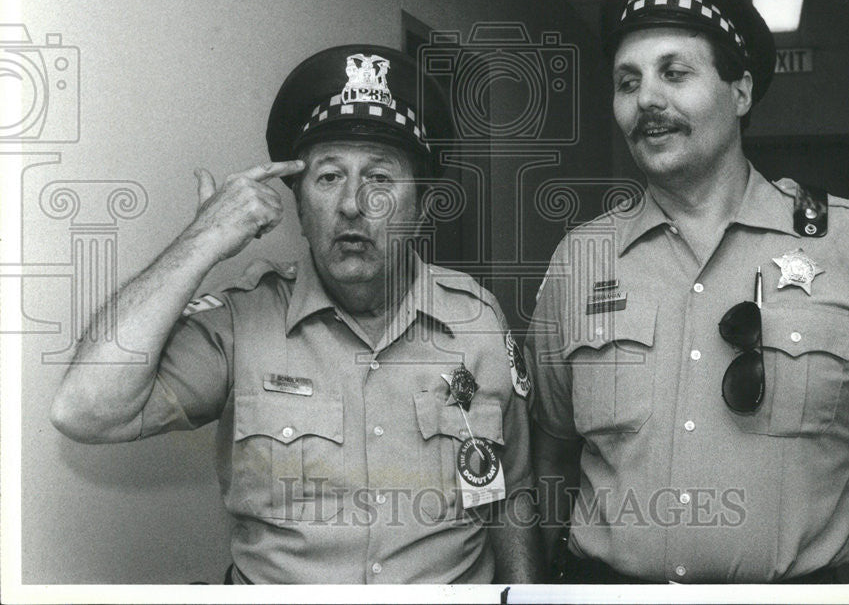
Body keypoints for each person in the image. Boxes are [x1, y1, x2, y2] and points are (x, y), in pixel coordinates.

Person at [525, 0, 849, 584]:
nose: (648, 99)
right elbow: (552, 454)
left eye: (675, 73)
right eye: (628, 80)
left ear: (741, 89)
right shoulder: (579, 261)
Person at [50, 45, 541, 584]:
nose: (352, 204)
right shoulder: (241, 323)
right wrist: (202, 240)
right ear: (301, 208)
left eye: (380, 178)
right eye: (329, 177)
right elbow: (85, 411)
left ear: (421, 208)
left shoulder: (477, 322)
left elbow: (508, 494)